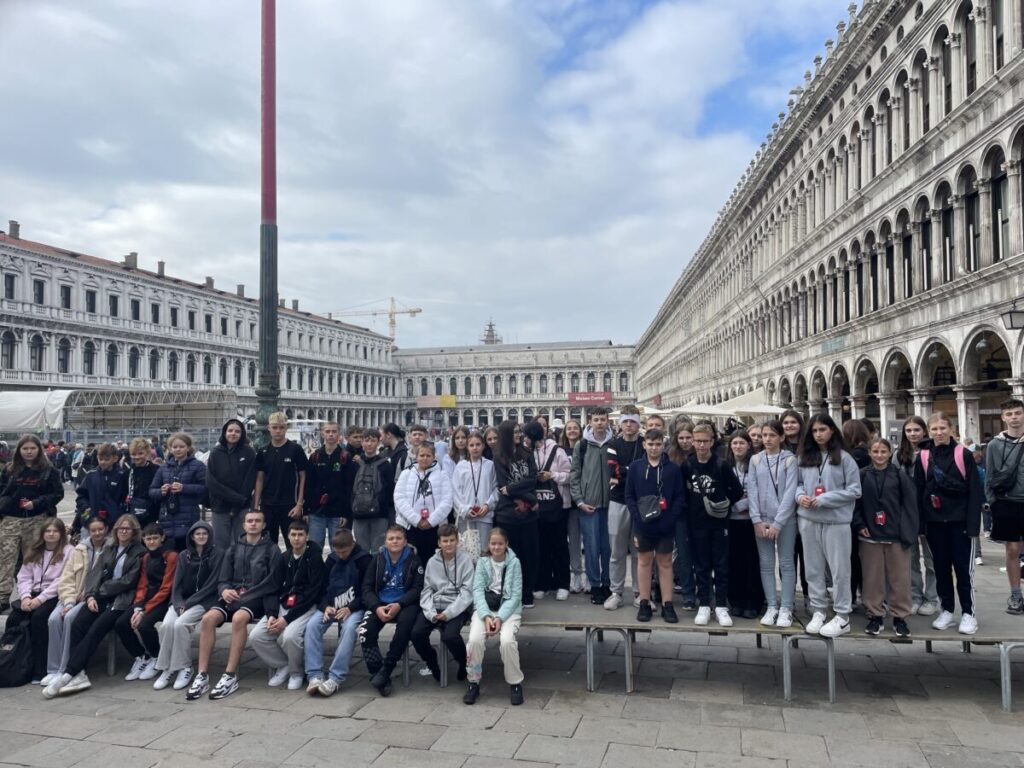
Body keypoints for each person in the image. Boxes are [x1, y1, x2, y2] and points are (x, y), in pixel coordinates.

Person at [43, 514, 145, 698]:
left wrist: (99, 592)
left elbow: (127, 581)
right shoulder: (110, 548)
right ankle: (79, 672)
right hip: (100, 597)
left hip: (121, 600)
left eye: (127, 528)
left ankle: (69, 673)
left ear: (134, 531)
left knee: (96, 629)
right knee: (78, 624)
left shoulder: (139, 552)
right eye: (120, 528)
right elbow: (95, 574)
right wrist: (90, 596)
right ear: (115, 530)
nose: (123, 531)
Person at [186, 509, 282, 701]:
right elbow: (223, 578)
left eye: (257, 521)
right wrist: (224, 590)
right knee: (208, 618)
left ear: (264, 525)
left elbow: (272, 583)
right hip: (232, 596)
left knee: (239, 618)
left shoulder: (272, 550)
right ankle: (202, 675)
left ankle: (230, 675)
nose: (253, 524)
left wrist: (245, 596)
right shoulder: (233, 548)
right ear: (243, 525)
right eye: (250, 521)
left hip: (256, 598)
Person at [915, 412, 983, 635]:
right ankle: (947, 609)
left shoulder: (963, 454)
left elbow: (975, 491)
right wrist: (920, 525)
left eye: (943, 428)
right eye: (934, 429)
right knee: (941, 568)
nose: (939, 433)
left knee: (964, 570)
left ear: (951, 429)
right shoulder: (923, 456)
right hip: (935, 522)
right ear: (929, 431)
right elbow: (918, 491)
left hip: (959, 521)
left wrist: (973, 525)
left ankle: (968, 613)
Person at [795, 414, 862, 638]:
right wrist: (800, 496)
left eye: (822, 429)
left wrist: (825, 499)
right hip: (808, 519)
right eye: (814, 431)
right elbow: (797, 484)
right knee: (813, 568)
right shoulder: (804, 457)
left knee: (840, 569)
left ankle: (842, 615)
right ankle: (819, 609)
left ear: (832, 430)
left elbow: (855, 490)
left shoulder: (845, 458)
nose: (818, 434)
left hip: (836, 521)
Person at [250, 519, 324, 690]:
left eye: (300, 535)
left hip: (305, 607)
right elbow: (272, 588)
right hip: (283, 605)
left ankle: (296, 672)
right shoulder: (284, 558)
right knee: (257, 636)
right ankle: (284, 665)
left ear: (307, 537)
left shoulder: (315, 558)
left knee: (290, 636)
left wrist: (287, 619)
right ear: (288, 536)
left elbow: (313, 594)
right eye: (293, 535)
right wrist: (271, 614)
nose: (296, 538)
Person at [856, 438, 918, 637]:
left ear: (890, 453)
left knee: (900, 578)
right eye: (875, 451)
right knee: (872, 578)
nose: (879, 455)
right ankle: (875, 615)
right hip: (870, 535)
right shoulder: (862, 475)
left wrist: (906, 531)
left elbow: (910, 505)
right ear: (869, 453)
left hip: (896, 535)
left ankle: (900, 616)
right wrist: (859, 525)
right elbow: (855, 503)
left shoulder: (900, 476)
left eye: (883, 451)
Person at [152, 521, 224, 691]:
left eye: (204, 533)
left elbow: (212, 584)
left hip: (203, 601)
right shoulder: (184, 555)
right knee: (166, 625)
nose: (201, 536)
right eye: (198, 534)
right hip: (182, 601)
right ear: (192, 536)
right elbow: (176, 585)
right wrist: (178, 603)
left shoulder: (217, 554)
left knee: (180, 625)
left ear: (210, 536)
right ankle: (167, 668)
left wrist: (189, 603)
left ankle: (184, 667)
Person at [684, 424, 744, 627]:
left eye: (705, 441)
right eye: (698, 441)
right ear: (693, 442)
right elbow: (683, 493)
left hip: (719, 522)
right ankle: (704, 604)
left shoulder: (721, 465)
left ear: (711, 442)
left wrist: (723, 504)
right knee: (701, 565)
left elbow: (737, 491)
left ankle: (720, 605)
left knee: (721, 563)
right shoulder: (688, 465)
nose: (701, 445)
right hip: (696, 523)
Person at [0, 435, 64, 612]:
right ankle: (3, 596)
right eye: (25, 448)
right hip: (11, 519)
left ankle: (29, 594)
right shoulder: (10, 469)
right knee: (5, 559)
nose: (29, 452)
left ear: (39, 450)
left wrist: (36, 503)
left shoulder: (49, 470)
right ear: (19, 450)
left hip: (36, 519)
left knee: (32, 559)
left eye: (32, 448)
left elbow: (57, 494)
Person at [358, 525, 424, 697]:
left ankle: (388, 667)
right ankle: (378, 673)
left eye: (398, 538)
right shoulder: (378, 559)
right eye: (391, 539)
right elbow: (366, 588)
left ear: (405, 541)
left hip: (405, 604)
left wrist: (400, 604)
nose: (395, 541)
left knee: (404, 629)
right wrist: (376, 607)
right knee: (364, 632)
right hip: (380, 603)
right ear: (385, 542)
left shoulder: (414, 560)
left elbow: (417, 589)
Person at [625, 429, 683, 623]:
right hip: (643, 524)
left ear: (663, 445)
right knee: (644, 561)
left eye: (658, 444)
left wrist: (671, 519)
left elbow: (679, 497)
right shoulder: (636, 467)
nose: (654, 448)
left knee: (665, 562)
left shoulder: (672, 469)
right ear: (644, 445)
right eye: (650, 444)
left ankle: (667, 604)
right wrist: (637, 517)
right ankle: (644, 602)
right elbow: (629, 495)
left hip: (665, 524)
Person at [304, 529, 371, 696]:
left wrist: (351, 608)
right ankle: (315, 675)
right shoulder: (332, 559)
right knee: (312, 626)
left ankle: (335, 677)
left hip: (354, 607)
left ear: (352, 545)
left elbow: (367, 590)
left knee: (349, 629)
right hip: (332, 605)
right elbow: (322, 588)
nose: (341, 555)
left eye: (344, 552)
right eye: (338, 552)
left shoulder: (364, 559)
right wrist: (325, 606)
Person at [7, 518, 72, 683]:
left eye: (55, 531)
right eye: (48, 531)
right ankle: (13, 663)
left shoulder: (68, 551)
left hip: (53, 594)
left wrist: (40, 599)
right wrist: (25, 597)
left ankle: (40, 669)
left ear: (61, 534)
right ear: (42, 534)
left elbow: (62, 579)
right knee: (14, 619)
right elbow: (24, 576)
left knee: (39, 619)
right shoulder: (35, 551)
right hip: (31, 594)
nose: (51, 534)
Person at [464, 528, 524, 706]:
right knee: (474, 640)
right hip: (486, 608)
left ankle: (515, 683)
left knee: (507, 641)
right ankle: (473, 681)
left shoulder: (514, 563)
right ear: (488, 545)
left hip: (508, 609)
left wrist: (499, 618)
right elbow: (477, 591)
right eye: (493, 543)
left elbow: (515, 595)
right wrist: (486, 616)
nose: (496, 547)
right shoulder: (482, 562)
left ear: (506, 544)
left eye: (500, 543)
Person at [747, 420, 798, 627]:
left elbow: (790, 492)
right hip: (762, 519)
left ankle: (786, 607)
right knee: (766, 564)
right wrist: (756, 519)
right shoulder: (755, 460)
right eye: (764, 435)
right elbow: (752, 490)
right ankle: (771, 605)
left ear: (781, 437)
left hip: (785, 520)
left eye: (772, 435)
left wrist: (778, 522)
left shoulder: (790, 460)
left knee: (786, 563)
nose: (767, 439)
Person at [45, 516, 108, 685]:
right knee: (53, 619)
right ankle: (53, 669)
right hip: (70, 596)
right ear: (88, 531)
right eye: (93, 530)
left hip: (88, 598)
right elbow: (66, 578)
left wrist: (85, 597)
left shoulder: (110, 549)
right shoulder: (79, 550)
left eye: (100, 529)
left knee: (70, 619)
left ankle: (66, 667)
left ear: (106, 530)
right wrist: (69, 601)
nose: (97, 533)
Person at [411, 524, 474, 683]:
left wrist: (448, 613)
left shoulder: (465, 561)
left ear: (457, 541)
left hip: (456, 606)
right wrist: (430, 612)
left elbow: (467, 593)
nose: (448, 544)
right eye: (445, 541)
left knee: (450, 636)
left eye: (452, 540)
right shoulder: (432, 562)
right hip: (435, 605)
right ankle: (432, 663)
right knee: (416, 634)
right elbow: (426, 590)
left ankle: (464, 662)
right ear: (439, 543)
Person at [116, 523, 178, 682]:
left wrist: (144, 611)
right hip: (147, 598)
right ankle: (142, 656)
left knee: (144, 625)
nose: (152, 542)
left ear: (162, 538)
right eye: (148, 539)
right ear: (143, 540)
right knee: (121, 623)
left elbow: (166, 587)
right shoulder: (146, 558)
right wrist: (138, 606)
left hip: (164, 600)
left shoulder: (171, 556)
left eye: (155, 538)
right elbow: (142, 583)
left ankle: (157, 657)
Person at [492, 421, 539, 607]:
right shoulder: (499, 456)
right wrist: (532, 499)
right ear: (506, 435)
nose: (519, 435)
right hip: (508, 515)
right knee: (511, 556)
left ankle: (527, 592)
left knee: (530, 555)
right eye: (514, 432)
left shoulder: (527, 453)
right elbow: (503, 485)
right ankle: (512, 593)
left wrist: (513, 489)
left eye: (519, 431)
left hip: (529, 516)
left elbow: (532, 479)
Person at [897, 415, 940, 616]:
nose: (913, 434)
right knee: (910, 558)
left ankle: (932, 597)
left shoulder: (933, 452)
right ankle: (914, 596)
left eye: (916, 430)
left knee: (931, 558)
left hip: (929, 512)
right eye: (909, 430)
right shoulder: (899, 455)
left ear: (924, 431)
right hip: (907, 513)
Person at [985, 399, 1024, 614]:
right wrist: (993, 503)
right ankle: (1016, 594)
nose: (1014, 417)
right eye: (1009, 414)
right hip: (1007, 502)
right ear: (1003, 418)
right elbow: (989, 475)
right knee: (1012, 549)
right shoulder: (995, 445)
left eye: (1017, 413)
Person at [570, 408, 613, 605]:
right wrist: (579, 501)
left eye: (603, 419)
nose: (600, 423)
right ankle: (595, 585)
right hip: (589, 504)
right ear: (590, 421)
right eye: (596, 420)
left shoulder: (614, 444)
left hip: (611, 504)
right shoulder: (582, 445)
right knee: (591, 547)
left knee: (608, 548)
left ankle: (608, 583)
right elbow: (575, 475)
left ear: (607, 421)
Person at [526, 420, 571, 601]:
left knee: (560, 545)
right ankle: (542, 583)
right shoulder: (528, 453)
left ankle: (562, 584)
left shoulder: (557, 450)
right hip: (538, 506)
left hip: (558, 505)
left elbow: (569, 475)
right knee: (541, 547)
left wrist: (552, 475)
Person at [605, 409, 644, 610]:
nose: (629, 425)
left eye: (632, 421)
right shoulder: (613, 444)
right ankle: (616, 592)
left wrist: (624, 472)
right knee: (617, 550)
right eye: (625, 421)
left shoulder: (644, 443)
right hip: (618, 501)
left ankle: (639, 592)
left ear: (638, 423)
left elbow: (648, 470)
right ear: (620, 423)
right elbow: (613, 470)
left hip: (640, 502)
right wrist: (633, 470)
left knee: (640, 551)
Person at [253, 412, 309, 547]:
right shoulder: (263, 451)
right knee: (268, 544)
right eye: (275, 427)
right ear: (269, 428)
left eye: (281, 427)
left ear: (286, 428)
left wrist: (299, 504)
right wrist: (255, 506)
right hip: (268, 504)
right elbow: (259, 479)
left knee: (293, 543)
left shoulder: (295, 449)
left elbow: (303, 477)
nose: (278, 431)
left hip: (289, 504)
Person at [394, 443, 453, 569]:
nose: (425, 458)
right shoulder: (406, 474)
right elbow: (399, 498)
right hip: (411, 527)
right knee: (411, 563)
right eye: (422, 455)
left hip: (434, 526)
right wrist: (416, 520)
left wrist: (431, 520)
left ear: (434, 457)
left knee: (433, 562)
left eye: (428, 455)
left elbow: (447, 501)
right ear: (416, 456)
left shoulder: (442, 475)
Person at [725, 430, 764, 619]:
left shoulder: (756, 464)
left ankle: (753, 601)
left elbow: (760, 491)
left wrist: (744, 504)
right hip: (731, 520)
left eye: (742, 443)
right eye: (735, 443)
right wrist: (734, 504)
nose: (738, 446)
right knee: (734, 561)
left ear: (749, 445)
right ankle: (736, 600)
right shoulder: (725, 465)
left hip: (751, 520)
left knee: (752, 562)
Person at [305, 422, 358, 553]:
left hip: (338, 511)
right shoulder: (315, 456)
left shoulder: (345, 457)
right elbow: (308, 485)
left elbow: (349, 487)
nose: (331, 434)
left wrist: (346, 513)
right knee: (314, 548)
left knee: (338, 549)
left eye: (334, 431)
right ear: (322, 434)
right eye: (327, 431)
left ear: (339, 434)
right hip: (317, 511)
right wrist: (306, 510)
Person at [149, 433, 207, 552]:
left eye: (181, 446)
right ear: (170, 448)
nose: (178, 449)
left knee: (187, 552)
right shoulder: (163, 468)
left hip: (189, 517)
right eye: (175, 447)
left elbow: (205, 488)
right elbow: (152, 491)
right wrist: (161, 491)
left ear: (188, 448)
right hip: (167, 520)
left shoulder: (198, 466)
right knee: (169, 555)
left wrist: (184, 488)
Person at [206, 418, 256, 548]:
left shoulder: (249, 452)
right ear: (225, 432)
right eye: (230, 430)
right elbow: (211, 482)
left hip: (242, 506)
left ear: (242, 434)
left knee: (242, 543)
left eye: (237, 431)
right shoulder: (215, 453)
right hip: (220, 506)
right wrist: (234, 498)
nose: (233, 434)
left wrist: (240, 500)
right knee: (220, 544)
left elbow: (250, 479)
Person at [452, 432, 498, 559]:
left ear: (483, 445)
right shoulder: (460, 466)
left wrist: (488, 505)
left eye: (478, 444)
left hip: (484, 515)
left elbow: (496, 488)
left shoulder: (490, 465)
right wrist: (465, 509)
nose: (475, 448)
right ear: (467, 447)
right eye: (471, 445)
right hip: (466, 517)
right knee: (465, 553)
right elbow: (455, 491)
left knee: (484, 552)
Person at [352, 428, 397, 552]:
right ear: (362, 442)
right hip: (359, 513)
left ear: (378, 442)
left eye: (373, 441)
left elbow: (391, 490)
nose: (369, 444)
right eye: (366, 441)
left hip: (380, 514)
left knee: (379, 550)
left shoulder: (386, 465)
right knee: (362, 550)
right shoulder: (355, 464)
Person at [668, 420, 698, 609]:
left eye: (688, 437)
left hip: (699, 511)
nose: (685, 441)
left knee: (701, 554)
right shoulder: (671, 456)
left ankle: (704, 591)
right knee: (684, 554)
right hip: (679, 512)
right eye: (682, 438)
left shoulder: (701, 455)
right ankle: (688, 593)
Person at [73, 442, 127, 536]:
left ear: (115, 458)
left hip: (114, 524)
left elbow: (125, 498)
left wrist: (118, 512)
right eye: (100, 459)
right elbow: (81, 496)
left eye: (106, 459)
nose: (102, 462)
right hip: (92, 522)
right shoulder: (91, 475)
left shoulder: (122, 476)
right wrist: (85, 507)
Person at [558, 420, 586, 593]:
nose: (572, 431)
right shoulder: (561, 451)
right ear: (565, 432)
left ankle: (589, 576)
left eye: (575, 428)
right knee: (574, 541)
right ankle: (576, 576)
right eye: (569, 428)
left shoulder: (586, 448)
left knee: (589, 542)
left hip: (586, 500)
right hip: (569, 502)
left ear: (580, 431)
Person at [125, 438, 160, 528]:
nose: (137, 457)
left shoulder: (156, 470)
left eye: (140, 453)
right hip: (133, 514)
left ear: (147, 453)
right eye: (133, 454)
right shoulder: (127, 472)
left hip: (152, 513)